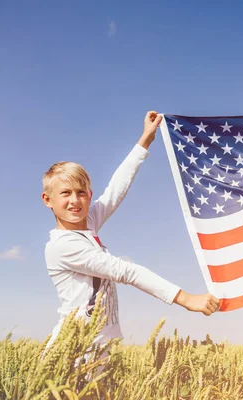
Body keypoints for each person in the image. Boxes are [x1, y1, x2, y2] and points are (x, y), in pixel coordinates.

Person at [41, 111, 219, 350]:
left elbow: (116, 189)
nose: (75, 200)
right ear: (47, 200)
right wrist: (186, 299)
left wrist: (145, 139)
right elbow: (127, 271)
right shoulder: (63, 246)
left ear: (89, 196)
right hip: (74, 350)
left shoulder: (87, 225)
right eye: (65, 193)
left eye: (81, 192)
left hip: (100, 346)